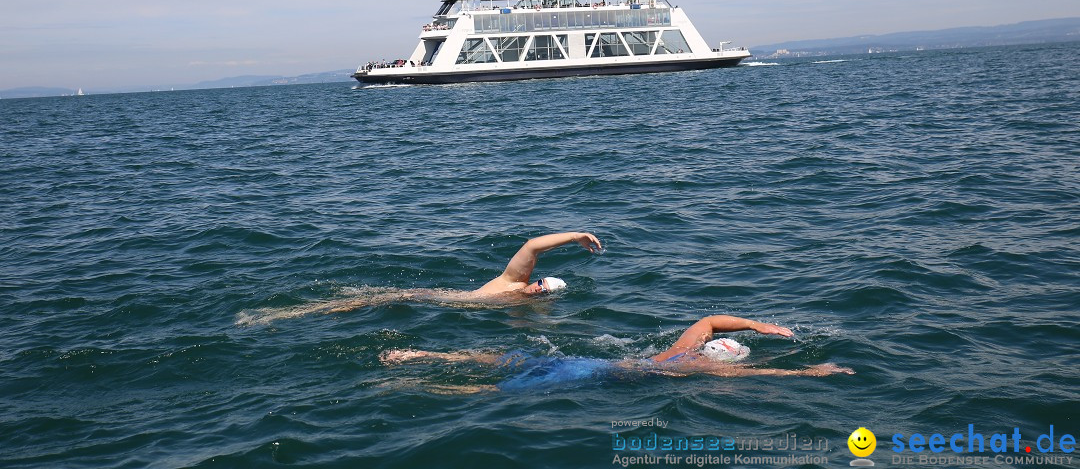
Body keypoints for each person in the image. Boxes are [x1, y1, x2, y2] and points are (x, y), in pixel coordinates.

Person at [380, 313, 853, 390]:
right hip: (594, 376)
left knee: (502, 360)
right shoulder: (699, 371)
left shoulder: (680, 351)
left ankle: (422, 357)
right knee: (491, 391)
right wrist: (809, 373)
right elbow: (757, 378)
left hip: (587, 361)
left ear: (709, 348)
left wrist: (756, 324)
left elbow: (707, 320)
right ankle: (426, 387)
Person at [236, 232, 602, 325]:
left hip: (429, 303)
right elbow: (532, 246)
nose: (538, 289)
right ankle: (281, 315)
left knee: (357, 303)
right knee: (356, 303)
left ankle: (287, 316)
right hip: (424, 296)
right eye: (541, 284)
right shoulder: (511, 284)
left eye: (543, 292)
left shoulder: (519, 308)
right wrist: (574, 236)